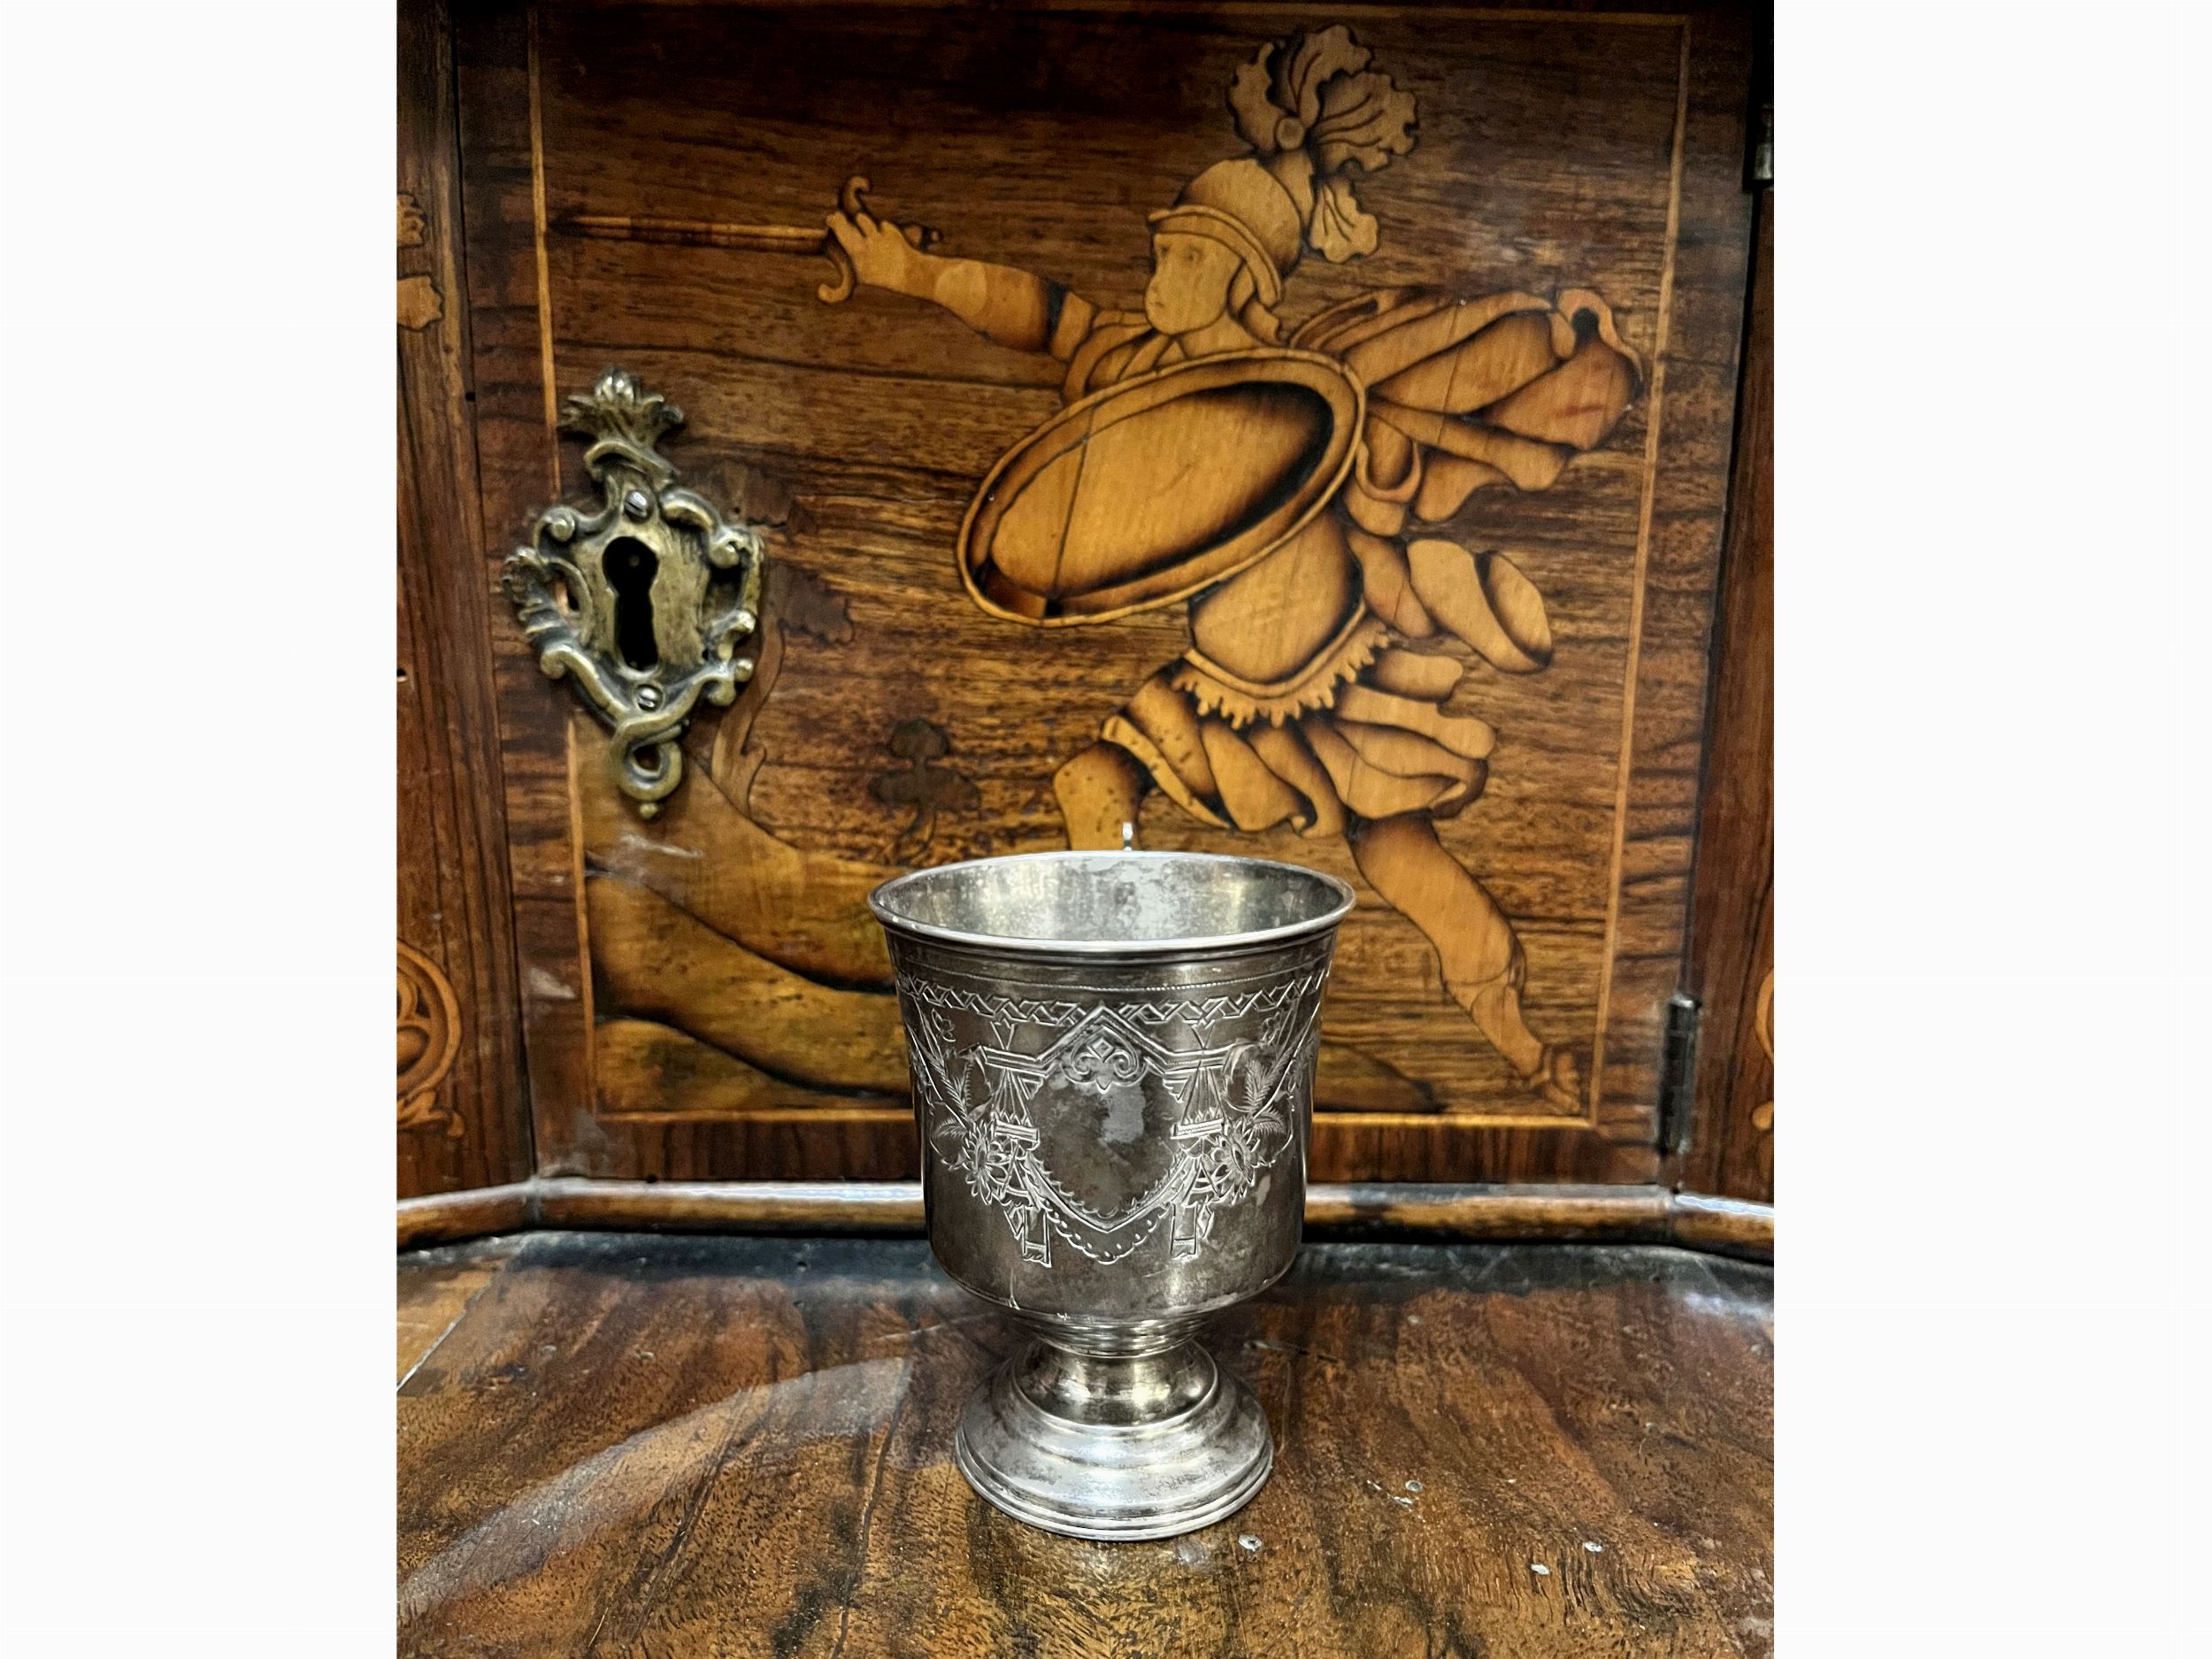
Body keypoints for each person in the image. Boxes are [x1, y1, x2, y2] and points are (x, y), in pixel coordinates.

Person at [825, 27, 1640, 1109]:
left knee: (1409, 864)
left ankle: (1529, 1055)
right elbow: (1044, 314)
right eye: (1163, 253)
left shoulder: (1303, 394)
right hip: (1215, 688)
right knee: (1091, 784)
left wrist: (1419, 554)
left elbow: (1385, 476)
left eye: (1188, 259)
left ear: (1245, 283)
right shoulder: (1133, 370)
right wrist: (915, 273)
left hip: (1337, 682)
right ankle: (1117, 1037)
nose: (1162, 274)